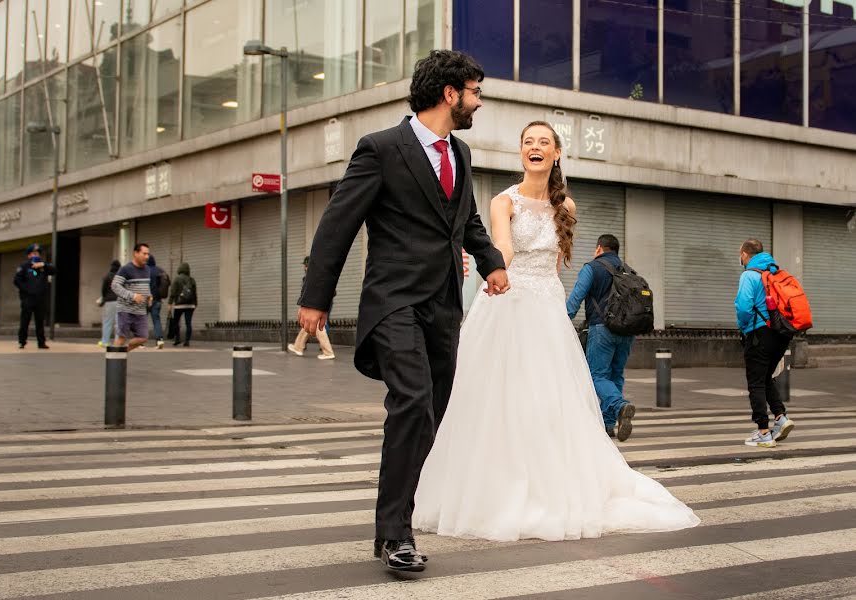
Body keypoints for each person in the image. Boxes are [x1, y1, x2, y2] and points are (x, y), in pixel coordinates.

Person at [412, 121, 699, 543]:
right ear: (521, 153)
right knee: (497, 399)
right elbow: (503, 248)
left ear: (556, 153)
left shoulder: (567, 206)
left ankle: (551, 484)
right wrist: (495, 269)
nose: (535, 147)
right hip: (507, 303)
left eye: (543, 142)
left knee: (550, 401)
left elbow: (558, 260)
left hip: (547, 312)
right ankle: (496, 486)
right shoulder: (501, 202)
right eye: (528, 141)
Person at [297, 50, 509, 572]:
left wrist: (492, 264)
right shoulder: (381, 149)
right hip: (393, 301)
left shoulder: (458, 153)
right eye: (475, 92)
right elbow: (337, 223)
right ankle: (395, 534)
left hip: (441, 305)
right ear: (450, 93)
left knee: (427, 414)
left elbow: (466, 220)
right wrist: (315, 297)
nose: (479, 102)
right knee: (412, 401)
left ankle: (394, 521)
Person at [565, 234, 637, 441]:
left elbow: (575, 299)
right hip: (626, 331)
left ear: (599, 249)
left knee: (597, 376)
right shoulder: (628, 270)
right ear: (616, 250)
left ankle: (619, 405)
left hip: (602, 328)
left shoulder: (592, 268)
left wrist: (562, 320)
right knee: (616, 375)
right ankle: (608, 424)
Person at [736, 238, 795, 448]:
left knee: (755, 382)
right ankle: (780, 417)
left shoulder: (749, 275)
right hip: (781, 334)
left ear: (744, 254)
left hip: (759, 334)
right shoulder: (775, 274)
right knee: (766, 377)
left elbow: (744, 308)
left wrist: (744, 329)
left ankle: (763, 431)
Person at [289, 257, 335, 360]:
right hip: (316, 304)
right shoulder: (314, 275)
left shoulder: (313, 275)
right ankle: (298, 346)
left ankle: (328, 352)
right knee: (308, 325)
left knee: (319, 328)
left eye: (306, 265)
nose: (304, 268)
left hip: (315, 306)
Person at [13, 243, 55, 349]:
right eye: (33, 253)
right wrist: (27, 290)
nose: (35, 255)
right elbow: (17, 281)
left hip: (40, 299)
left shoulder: (43, 266)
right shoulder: (24, 266)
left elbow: (54, 270)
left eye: (37, 253)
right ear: (29, 255)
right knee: (25, 321)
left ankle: (41, 342)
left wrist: (44, 265)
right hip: (28, 298)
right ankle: (22, 341)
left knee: (40, 321)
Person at [111, 243, 152, 351]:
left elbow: (145, 286)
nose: (147, 257)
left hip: (140, 311)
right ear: (136, 253)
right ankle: (113, 360)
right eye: (144, 254)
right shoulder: (126, 269)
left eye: (148, 254)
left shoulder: (147, 269)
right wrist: (132, 296)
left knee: (143, 337)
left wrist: (148, 296)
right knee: (121, 338)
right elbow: (115, 286)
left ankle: (122, 352)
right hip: (125, 310)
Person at [168, 262, 197, 347]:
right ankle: (187, 341)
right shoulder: (192, 280)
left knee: (176, 322)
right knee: (188, 323)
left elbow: (173, 292)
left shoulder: (176, 279)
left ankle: (177, 339)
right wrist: (195, 304)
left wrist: (170, 303)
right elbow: (194, 293)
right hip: (190, 305)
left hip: (179, 305)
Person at [147, 254, 170, 349]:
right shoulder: (160, 270)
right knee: (156, 320)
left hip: (146, 300)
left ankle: (140, 341)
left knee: (142, 320)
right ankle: (159, 340)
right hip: (157, 300)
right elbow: (168, 282)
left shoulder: (144, 271)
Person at [98, 260, 121, 347]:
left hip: (109, 301)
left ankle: (105, 341)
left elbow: (103, 290)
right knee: (119, 322)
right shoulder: (120, 277)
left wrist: (104, 298)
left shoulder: (107, 276)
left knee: (107, 321)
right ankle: (117, 341)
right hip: (119, 301)